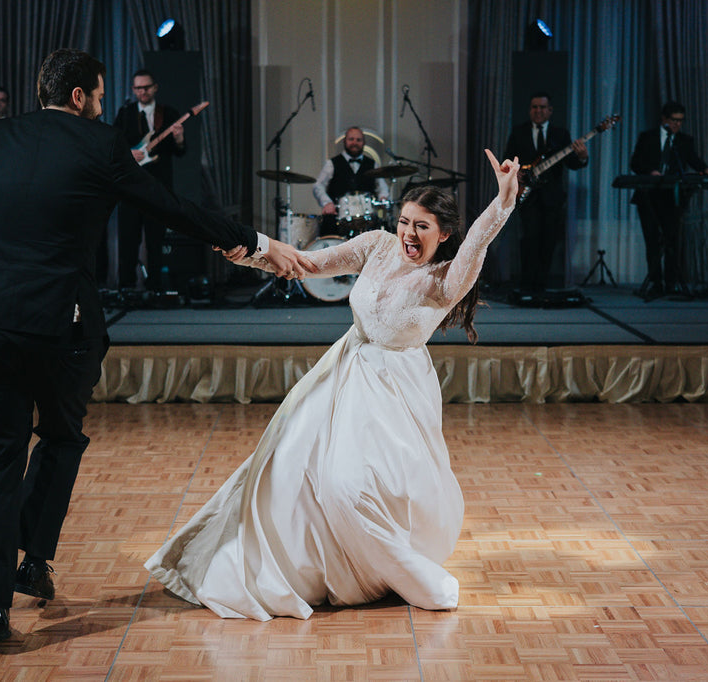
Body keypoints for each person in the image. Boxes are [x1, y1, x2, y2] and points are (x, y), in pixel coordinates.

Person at [0, 48, 313, 645]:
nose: (104, 107)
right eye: (101, 97)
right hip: (60, 326)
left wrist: (10, 198)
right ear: (80, 97)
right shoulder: (98, 145)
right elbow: (174, 209)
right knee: (62, 437)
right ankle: (33, 557)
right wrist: (253, 243)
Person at [145, 149, 519, 621]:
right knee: (289, 473)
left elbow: (477, 245)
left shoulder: (446, 279)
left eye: (422, 227)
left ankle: (406, 574)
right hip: (345, 372)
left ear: (442, 234)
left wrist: (503, 200)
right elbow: (305, 263)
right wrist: (251, 254)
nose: (408, 233)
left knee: (349, 487)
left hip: (396, 394)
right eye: (405, 221)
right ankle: (310, 569)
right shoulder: (378, 245)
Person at [629, 100, 708, 299]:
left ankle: (672, 282)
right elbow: (635, 162)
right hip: (649, 195)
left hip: (672, 196)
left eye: (680, 121)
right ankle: (655, 281)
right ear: (664, 119)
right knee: (652, 239)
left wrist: (705, 169)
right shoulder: (647, 137)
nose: (677, 125)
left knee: (673, 239)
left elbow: (692, 159)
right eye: (673, 120)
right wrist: (650, 172)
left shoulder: (684, 140)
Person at [109, 69, 187, 290]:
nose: (142, 91)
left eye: (146, 87)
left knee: (156, 241)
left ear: (154, 87)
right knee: (128, 241)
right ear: (133, 90)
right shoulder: (125, 114)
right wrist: (128, 154)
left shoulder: (169, 114)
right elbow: (113, 146)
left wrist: (179, 139)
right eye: (138, 88)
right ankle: (127, 288)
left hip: (158, 186)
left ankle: (155, 289)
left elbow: (180, 151)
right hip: (130, 188)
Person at [503, 91, 588, 291]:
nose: (538, 111)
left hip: (552, 197)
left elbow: (572, 164)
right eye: (534, 107)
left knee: (549, 240)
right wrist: (516, 174)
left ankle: (541, 285)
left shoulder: (561, 134)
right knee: (530, 239)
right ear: (530, 109)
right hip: (527, 196)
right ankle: (527, 284)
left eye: (542, 107)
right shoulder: (519, 131)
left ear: (550, 111)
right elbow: (508, 160)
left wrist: (583, 157)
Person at [312, 126, 390, 235]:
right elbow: (318, 186)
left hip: (368, 221)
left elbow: (382, 187)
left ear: (364, 143)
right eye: (351, 139)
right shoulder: (332, 163)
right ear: (345, 141)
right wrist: (327, 203)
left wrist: (383, 197)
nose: (355, 142)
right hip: (338, 219)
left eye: (358, 140)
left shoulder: (372, 164)